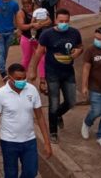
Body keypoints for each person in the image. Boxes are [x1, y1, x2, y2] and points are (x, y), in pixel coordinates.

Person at [0, 63, 52, 178]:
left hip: (29, 141)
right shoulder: (0, 95)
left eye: (24, 78)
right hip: (9, 142)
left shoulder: (32, 90)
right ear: (9, 77)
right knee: (11, 174)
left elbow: (40, 116)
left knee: (31, 172)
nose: (22, 81)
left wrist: (47, 142)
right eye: (18, 79)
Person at [29, 8, 83, 143]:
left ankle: (58, 114)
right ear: (55, 21)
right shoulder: (47, 34)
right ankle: (53, 131)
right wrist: (33, 70)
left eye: (66, 21)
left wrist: (78, 52)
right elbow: (39, 53)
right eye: (61, 21)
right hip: (52, 72)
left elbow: (80, 46)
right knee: (53, 102)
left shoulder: (74, 33)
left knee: (71, 101)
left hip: (68, 72)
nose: (63, 23)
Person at [16, 0, 51, 85]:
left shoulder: (39, 11)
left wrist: (40, 24)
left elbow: (49, 21)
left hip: (39, 38)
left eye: (28, 6)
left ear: (32, 4)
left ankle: (42, 79)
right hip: (27, 38)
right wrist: (32, 25)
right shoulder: (21, 13)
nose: (27, 8)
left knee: (42, 58)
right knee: (26, 58)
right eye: (25, 6)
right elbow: (22, 26)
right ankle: (21, 77)